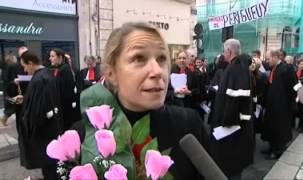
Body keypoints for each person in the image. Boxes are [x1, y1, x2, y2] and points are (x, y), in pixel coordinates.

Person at [77, 22, 215, 179]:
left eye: (162, 58)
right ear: (111, 73)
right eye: (139, 58)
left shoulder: (189, 125)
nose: (157, 71)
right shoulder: (82, 137)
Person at [210, 39, 254, 179]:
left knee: (230, 164)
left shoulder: (237, 67)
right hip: (231, 126)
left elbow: (236, 99)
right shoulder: (236, 66)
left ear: (229, 51)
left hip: (231, 128)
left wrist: (224, 126)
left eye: (224, 51)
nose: (223, 54)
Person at [19, 51, 62, 180]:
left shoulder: (39, 80)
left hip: (44, 135)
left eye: (25, 66)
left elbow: (37, 113)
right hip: (53, 131)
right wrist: (26, 99)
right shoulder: (48, 75)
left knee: (50, 171)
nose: (25, 70)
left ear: (31, 63)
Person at [261, 50, 297, 159]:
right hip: (272, 106)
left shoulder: (287, 69)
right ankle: (271, 147)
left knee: (279, 129)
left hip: (282, 107)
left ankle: (278, 151)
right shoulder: (274, 69)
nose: (267, 61)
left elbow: (294, 87)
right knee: (271, 127)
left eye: (268, 59)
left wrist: (290, 103)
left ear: (275, 57)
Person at [49, 48, 79, 130]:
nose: (50, 58)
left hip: (64, 109)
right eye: (50, 56)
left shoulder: (65, 70)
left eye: (52, 56)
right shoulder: (57, 69)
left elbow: (66, 92)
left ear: (60, 57)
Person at [1, 53, 19, 126]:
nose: (16, 59)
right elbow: (8, 80)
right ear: (11, 59)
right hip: (11, 93)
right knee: (12, 108)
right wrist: (14, 81)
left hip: (8, 92)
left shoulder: (5, 68)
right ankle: (3, 120)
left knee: (11, 107)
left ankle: (3, 120)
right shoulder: (11, 67)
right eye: (14, 58)